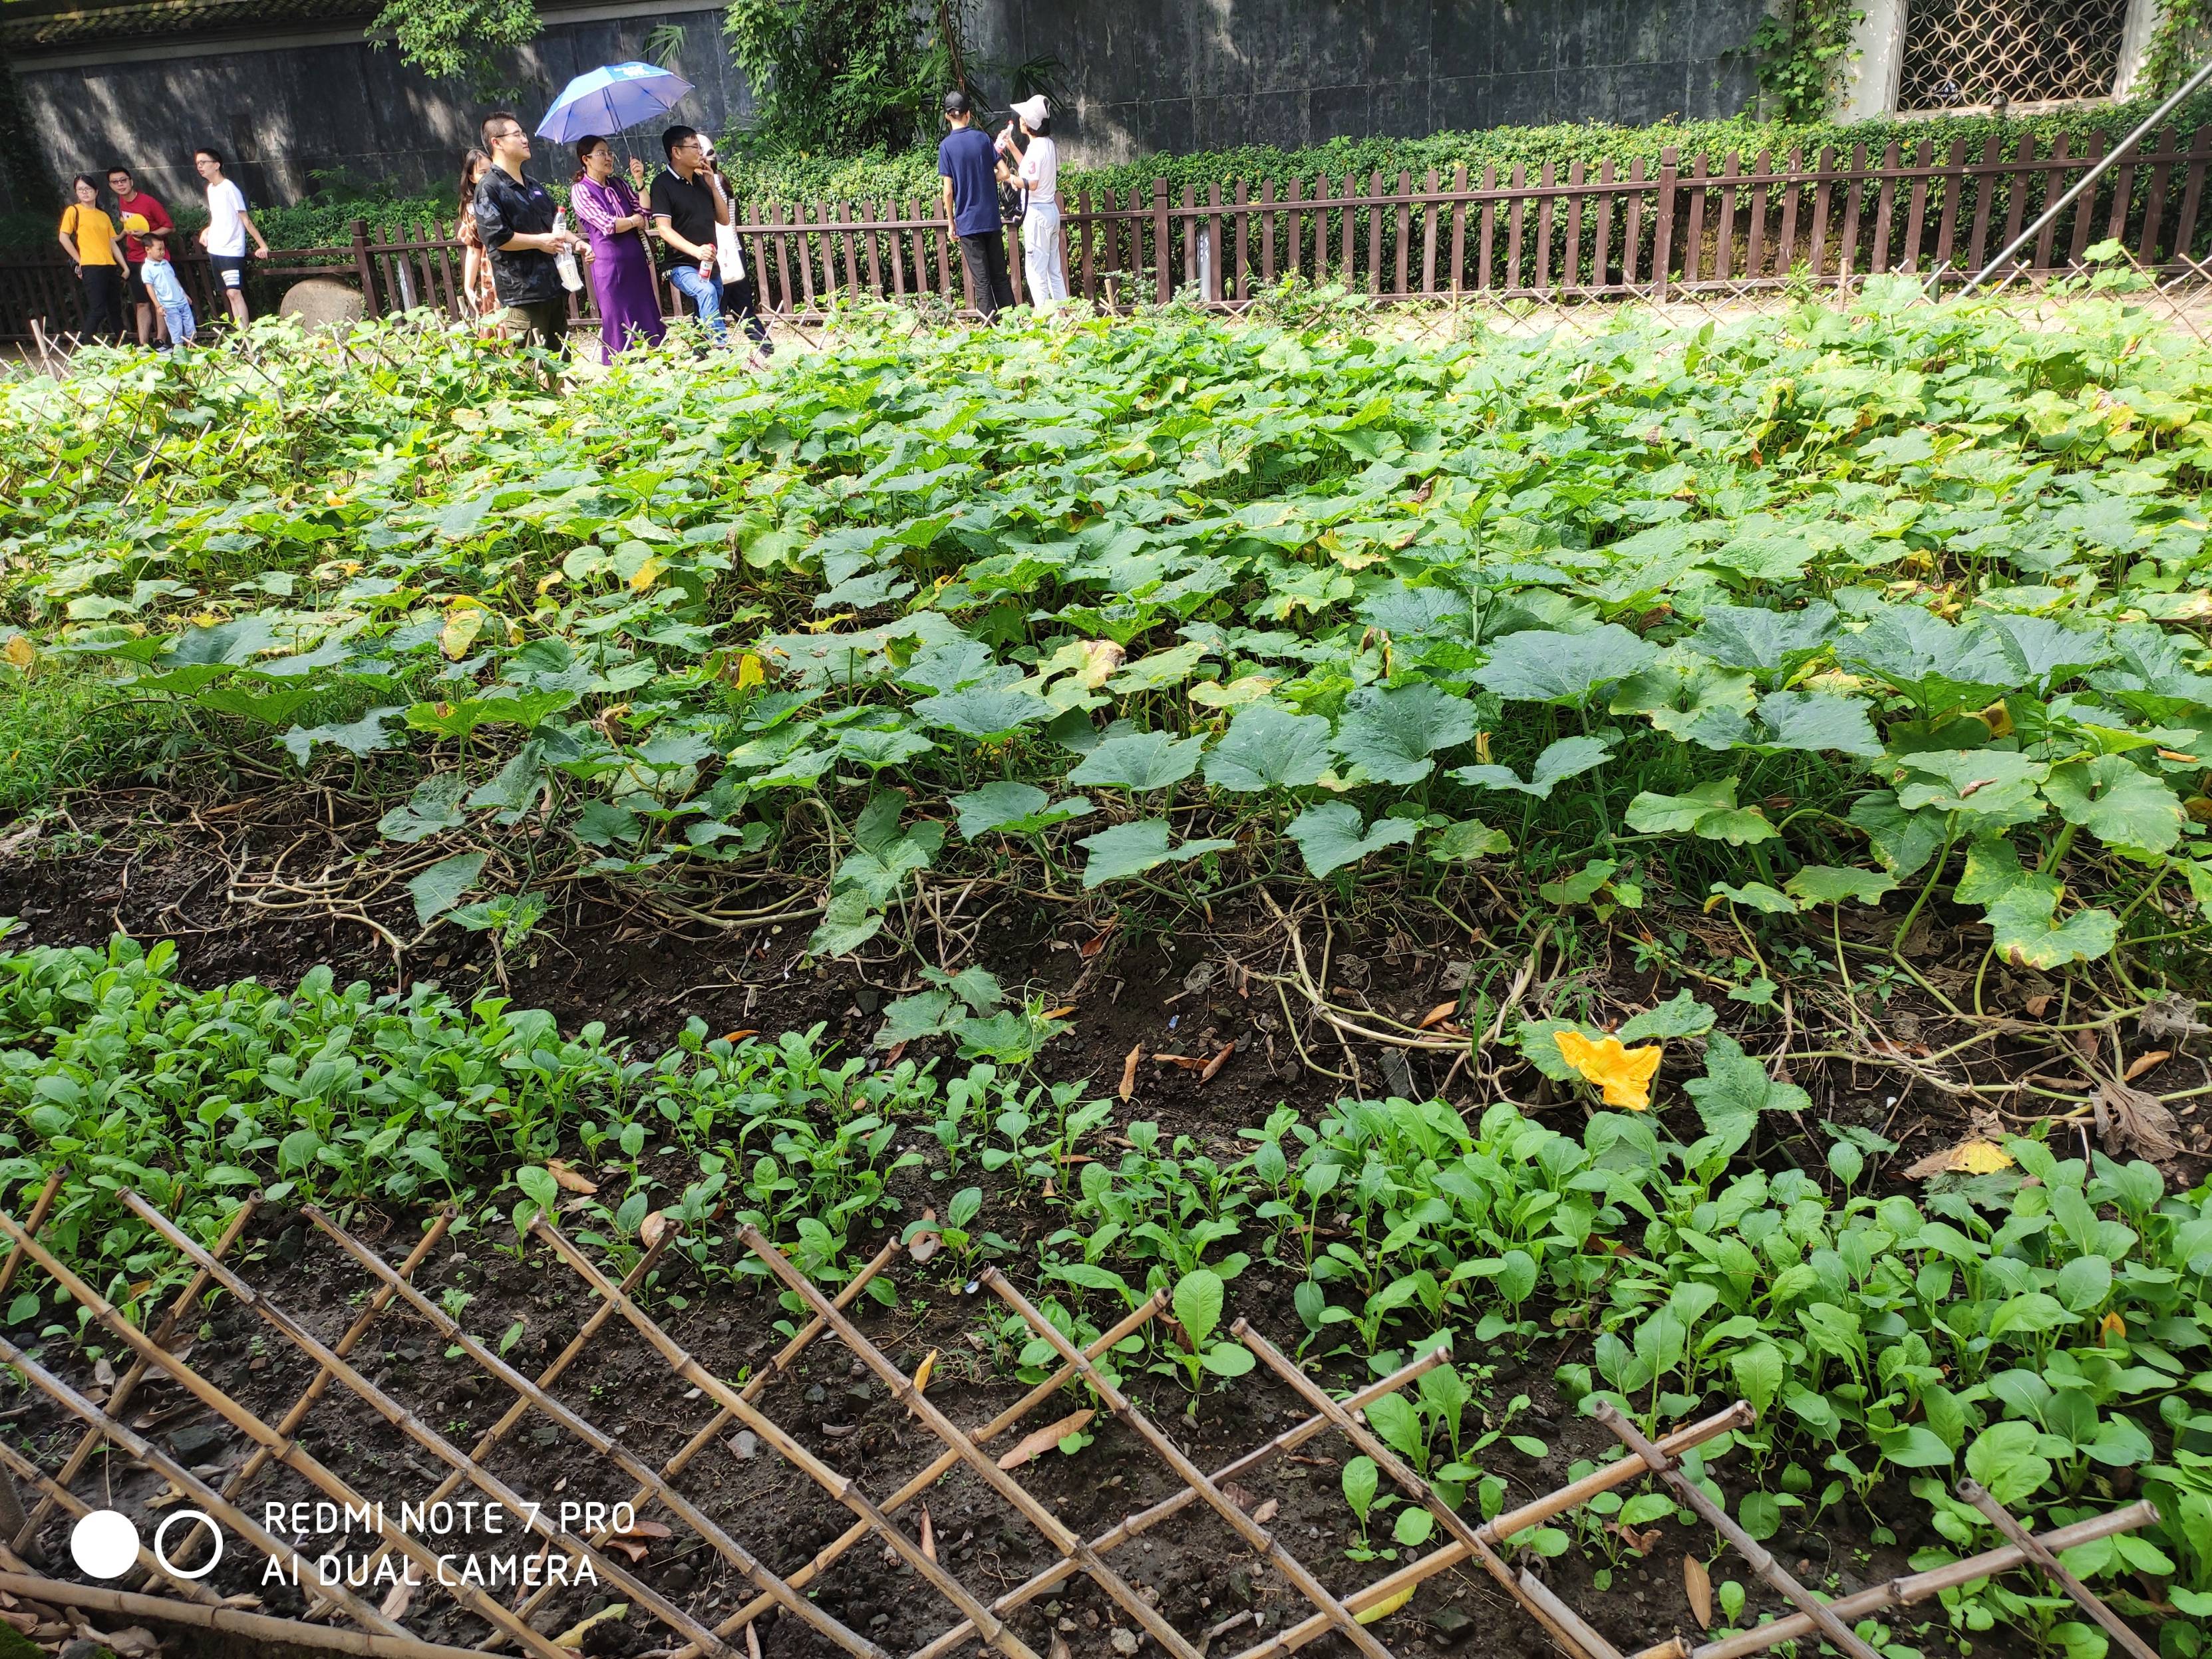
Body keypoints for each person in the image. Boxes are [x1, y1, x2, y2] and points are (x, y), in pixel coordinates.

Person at [472, 110, 584, 356]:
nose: (525, 139)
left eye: (523, 134)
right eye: (517, 134)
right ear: (497, 142)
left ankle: (561, 395)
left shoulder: (533, 184)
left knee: (561, 362)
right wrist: (540, 242)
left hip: (553, 287)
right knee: (530, 369)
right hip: (522, 294)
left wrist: (577, 243)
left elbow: (556, 222)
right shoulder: (488, 188)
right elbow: (497, 237)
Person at [569, 134, 665, 362]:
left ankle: (654, 365)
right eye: (601, 153)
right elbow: (607, 224)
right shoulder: (581, 190)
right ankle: (622, 369)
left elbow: (645, 211)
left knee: (646, 312)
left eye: (609, 152)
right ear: (586, 159)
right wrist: (633, 221)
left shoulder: (619, 184)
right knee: (617, 317)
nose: (608, 157)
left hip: (636, 262)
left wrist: (639, 180)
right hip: (610, 266)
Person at [647, 124, 728, 345]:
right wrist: (696, 251)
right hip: (680, 264)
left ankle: (701, 355)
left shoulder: (703, 180)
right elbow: (664, 229)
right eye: (695, 147)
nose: (700, 152)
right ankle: (724, 352)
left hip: (710, 263)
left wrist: (713, 186)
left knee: (712, 304)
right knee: (707, 292)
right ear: (677, 152)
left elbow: (724, 219)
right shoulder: (662, 184)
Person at [939, 90, 1014, 321]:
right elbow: (1005, 172)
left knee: (982, 280)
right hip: (990, 219)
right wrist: (986, 176)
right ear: (968, 115)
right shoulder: (982, 139)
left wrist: (951, 223)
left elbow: (948, 191)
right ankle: (1012, 324)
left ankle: (990, 329)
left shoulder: (946, 147)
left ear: (947, 116)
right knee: (1000, 275)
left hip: (968, 222)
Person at [700, 135, 771, 365]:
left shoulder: (711, 184)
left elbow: (719, 222)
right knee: (743, 310)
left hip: (717, 255)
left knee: (711, 311)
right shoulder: (722, 180)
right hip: (734, 252)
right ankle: (769, 351)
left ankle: (708, 359)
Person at [997, 95, 1066, 309]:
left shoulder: (1037, 148)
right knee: (1054, 269)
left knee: (1036, 271)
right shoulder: (1046, 145)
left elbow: (1031, 183)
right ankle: (1064, 315)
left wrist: (1007, 177)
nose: (1020, 120)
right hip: (1051, 212)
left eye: (1024, 117)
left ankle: (1045, 319)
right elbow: (1028, 167)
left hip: (1037, 215)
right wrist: (1010, 146)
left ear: (1029, 124)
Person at [194, 147, 269, 328]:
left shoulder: (229, 188)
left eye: (204, 162)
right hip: (216, 249)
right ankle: (240, 337)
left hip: (231, 250)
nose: (200, 167)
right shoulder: (211, 189)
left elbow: (245, 219)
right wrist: (207, 230)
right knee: (229, 294)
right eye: (198, 163)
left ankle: (246, 339)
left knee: (235, 292)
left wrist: (262, 245)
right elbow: (219, 216)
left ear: (217, 165)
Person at [57, 175, 130, 342]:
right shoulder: (74, 211)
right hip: (91, 265)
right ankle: (86, 344)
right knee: (98, 309)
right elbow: (63, 237)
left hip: (109, 265)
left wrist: (124, 267)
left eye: (88, 189)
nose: (85, 192)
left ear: (96, 192)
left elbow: (112, 241)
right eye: (81, 189)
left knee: (115, 309)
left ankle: (124, 344)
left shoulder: (103, 215)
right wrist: (80, 260)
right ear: (76, 192)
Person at [107, 165, 173, 345]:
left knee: (159, 301)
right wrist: (120, 236)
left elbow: (169, 226)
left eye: (123, 180)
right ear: (111, 186)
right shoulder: (121, 202)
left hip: (155, 259)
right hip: (134, 258)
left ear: (131, 181)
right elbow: (127, 224)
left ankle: (161, 340)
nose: (120, 185)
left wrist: (147, 236)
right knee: (141, 302)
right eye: (115, 182)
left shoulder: (148, 202)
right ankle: (144, 345)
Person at [454, 148, 498, 321]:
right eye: (483, 173)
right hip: (492, 272)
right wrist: (468, 287)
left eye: (492, 170)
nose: (489, 176)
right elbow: (473, 250)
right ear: (472, 177)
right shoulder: (471, 209)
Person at [140, 233, 196, 352]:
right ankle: (180, 356)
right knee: (177, 333)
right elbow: (149, 288)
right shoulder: (147, 268)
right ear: (148, 249)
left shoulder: (166, 263)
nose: (162, 252)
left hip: (182, 302)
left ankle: (192, 353)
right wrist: (158, 305)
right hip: (169, 306)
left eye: (164, 249)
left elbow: (174, 279)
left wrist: (184, 294)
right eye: (159, 249)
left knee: (191, 330)